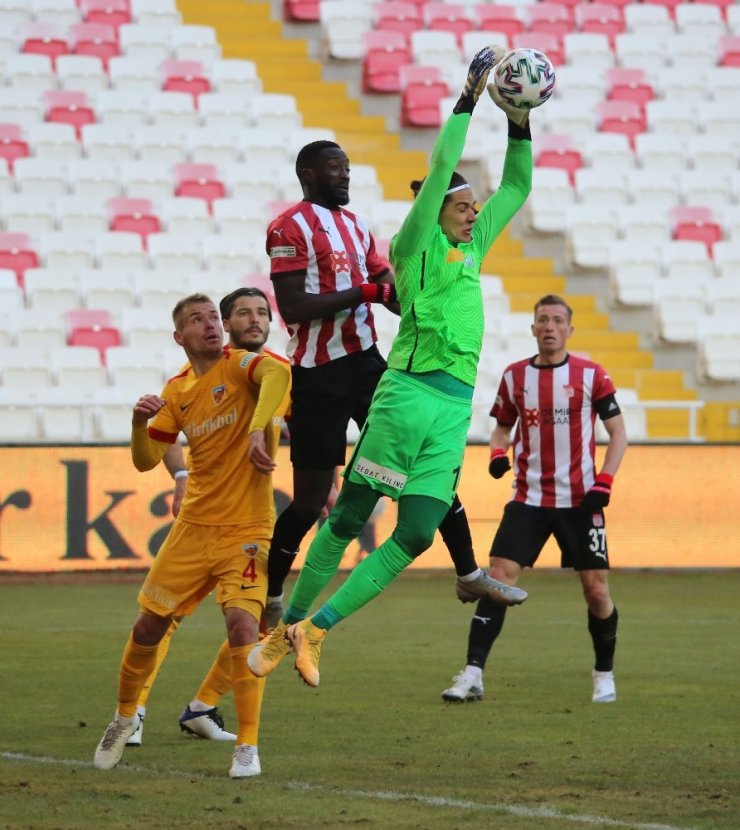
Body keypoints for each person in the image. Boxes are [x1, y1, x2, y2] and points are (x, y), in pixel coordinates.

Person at [249, 44, 533, 688]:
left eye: (471, 208)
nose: (472, 211)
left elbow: (518, 185)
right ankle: (283, 624)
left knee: (416, 533)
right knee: (348, 516)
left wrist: (520, 121)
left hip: (453, 406)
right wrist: (467, 100)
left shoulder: (473, 249)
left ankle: (313, 630)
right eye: (461, 205)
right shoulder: (414, 245)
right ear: (434, 212)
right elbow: (442, 169)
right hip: (404, 395)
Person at [93, 293, 291, 778]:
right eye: (196, 321)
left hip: (247, 528)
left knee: (245, 627)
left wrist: (257, 428)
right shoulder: (178, 389)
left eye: (211, 319)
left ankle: (247, 746)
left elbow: (279, 376)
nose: (209, 326)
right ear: (179, 337)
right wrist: (139, 422)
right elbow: (145, 459)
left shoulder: (244, 364)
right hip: (192, 530)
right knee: (148, 627)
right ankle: (124, 717)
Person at [441, 295, 628, 705]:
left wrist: (606, 481)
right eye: (542, 319)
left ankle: (603, 675)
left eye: (557, 320)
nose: (549, 326)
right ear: (532, 328)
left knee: (596, 591)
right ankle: (472, 674)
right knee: (499, 579)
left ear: (569, 330)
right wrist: (495, 454)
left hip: (582, 501)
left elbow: (618, 433)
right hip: (529, 498)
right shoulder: (514, 377)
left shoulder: (591, 375)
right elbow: (501, 429)